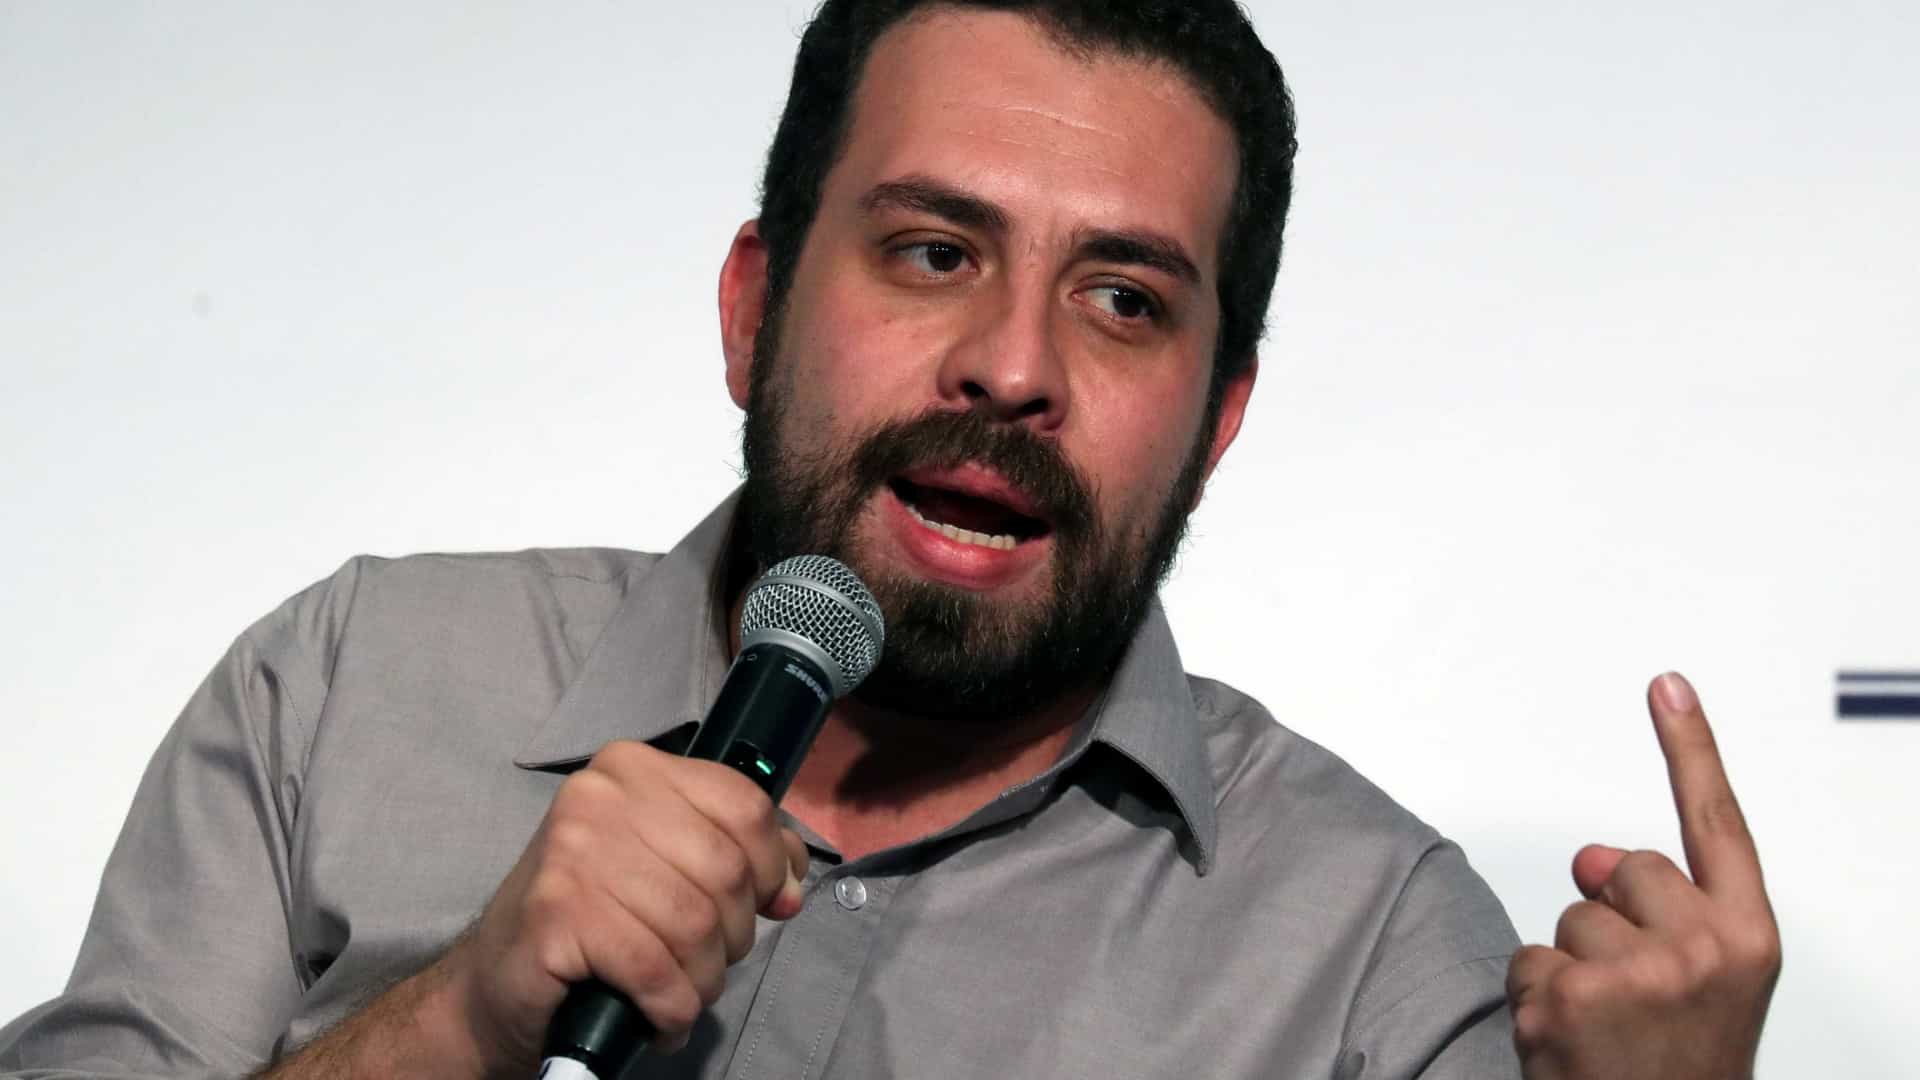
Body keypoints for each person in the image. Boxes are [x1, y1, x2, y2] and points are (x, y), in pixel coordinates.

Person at [0, 2, 1781, 1077]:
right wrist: (459, 1022)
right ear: (753, 307)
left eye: (1124, 298)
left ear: (1219, 418)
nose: (1013, 365)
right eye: (934, 252)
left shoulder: (1369, 950)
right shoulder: (348, 689)